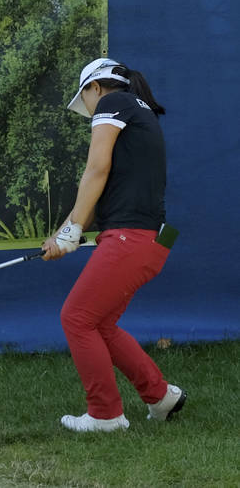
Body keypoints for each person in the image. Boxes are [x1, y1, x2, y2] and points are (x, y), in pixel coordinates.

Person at [41, 58, 186, 432]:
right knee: (100, 323)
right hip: (146, 241)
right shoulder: (138, 109)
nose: (86, 108)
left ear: (95, 87)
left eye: (84, 98)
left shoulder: (112, 104)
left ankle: (105, 414)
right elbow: (101, 187)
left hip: (128, 239)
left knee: (76, 318)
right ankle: (161, 396)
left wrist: (73, 228)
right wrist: (64, 232)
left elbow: (96, 169)